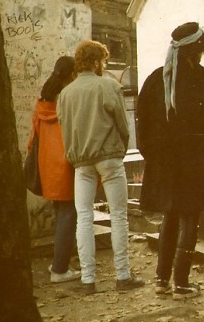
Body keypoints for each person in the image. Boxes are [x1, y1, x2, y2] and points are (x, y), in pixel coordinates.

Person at [136, 22, 204, 300]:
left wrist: (153, 156)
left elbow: (142, 125)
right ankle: (182, 283)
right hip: (196, 163)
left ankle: (162, 280)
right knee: (190, 219)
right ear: (196, 53)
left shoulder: (153, 81)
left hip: (164, 163)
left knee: (169, 216)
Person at [57, 40, 144, 294]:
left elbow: (64, 128)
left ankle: (88, 279)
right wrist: (119, 147)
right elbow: (123, 124)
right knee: (118, 216)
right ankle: (122, 275)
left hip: (80, 161)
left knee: (83, 218)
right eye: (103, 61)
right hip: (109, 157)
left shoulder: (66, 94)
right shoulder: (108, 86)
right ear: (96, 62)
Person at [28, 56, 80, 283]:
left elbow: (33, 139)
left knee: (62, 215)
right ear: (71, 75)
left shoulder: (43, 102)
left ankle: (60, 264)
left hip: (47, 166)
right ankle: (60, 269)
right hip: (66, 164)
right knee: (69, 215)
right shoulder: (68, 100)